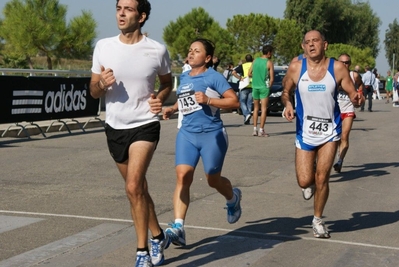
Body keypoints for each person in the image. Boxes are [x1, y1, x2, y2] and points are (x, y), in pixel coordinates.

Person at [89, 0, 173, 266]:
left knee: (134, 186)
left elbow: (167, 82)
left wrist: (160, 98)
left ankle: (142, 252)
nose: (121, 13)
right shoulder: (103, 46)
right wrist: (101, 83)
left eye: (128, 9)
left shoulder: (157, 49)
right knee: (138, 190)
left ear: (142, 16)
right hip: (115, 127)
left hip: (145, 124)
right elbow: (93, 90)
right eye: (118, 8)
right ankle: (159, 235)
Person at [282, 30, 364, 238]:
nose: (311, 45)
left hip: (330, 131)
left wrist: (357, 99)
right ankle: (308, 180)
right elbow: (285, 91)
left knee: (322, 178)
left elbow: (353, 93)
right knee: (304, 180)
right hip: (305, 131)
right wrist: (288, 104)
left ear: (325, 45)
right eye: (307, 42)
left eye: (315, 41)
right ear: (303, 47)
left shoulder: (336, 68)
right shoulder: (295, 68)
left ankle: (317, 220)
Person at [162, 38, 242, 247]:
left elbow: (234, 101)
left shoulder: (213, 77)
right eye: (190, 50)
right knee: (183, 176)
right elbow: (185, 101)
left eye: (196, 51)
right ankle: (178, 227)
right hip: (187, 133)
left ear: (207, 58)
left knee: (212, 179)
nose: (190, 53)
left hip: (212, 134)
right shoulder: (185, 76)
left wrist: (209, 100)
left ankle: (232, 198)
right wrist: (172, 108)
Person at [333, 53, 364, 173]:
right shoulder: (333, 75)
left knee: (344, 136)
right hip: (334, 110)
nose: (345, 64)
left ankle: (340, 161)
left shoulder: (354, 75)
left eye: (347, 62)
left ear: (350, 64)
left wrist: (359, 94)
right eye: (342, 62)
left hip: (348, 109)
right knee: (334, 138)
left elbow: (360, 84)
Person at [248, 45, 274, 137]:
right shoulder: (269, 62)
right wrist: (269, 86)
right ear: (268, 53)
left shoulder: (255, 61)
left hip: (255, 87)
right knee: (263, 109)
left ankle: (254, 129)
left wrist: (255, 77)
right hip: (264, 87)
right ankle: (261, 130)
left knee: (255, 108)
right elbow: (272, 79)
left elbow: (249, 73)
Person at [232, 54, 253, 124]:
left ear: (246, 59)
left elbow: (233, 72)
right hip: (253, 85)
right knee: (249, 103)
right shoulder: (254, 65)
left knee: (242, 102)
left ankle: (247, 114)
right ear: (252, 59)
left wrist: (240, 78)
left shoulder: (243, 66)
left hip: (244, 85)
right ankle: (247, 119)